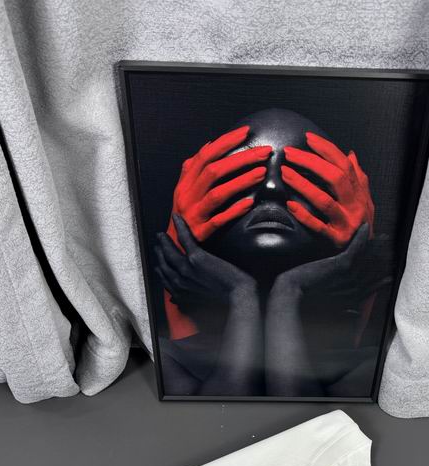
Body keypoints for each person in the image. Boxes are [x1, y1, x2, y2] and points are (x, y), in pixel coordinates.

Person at [153, 108, 385, 397]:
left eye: (301, 176)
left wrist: (357, 247)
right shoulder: (166, 359)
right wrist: (183, 238)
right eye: (246, 174)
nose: (273, 187)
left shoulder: (370, 366)